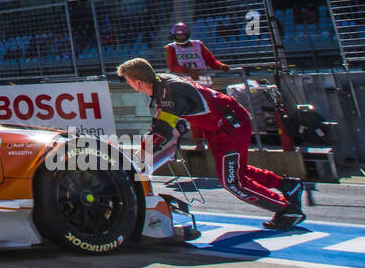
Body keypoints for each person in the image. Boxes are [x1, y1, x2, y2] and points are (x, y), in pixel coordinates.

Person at [117, 57, 305, 230]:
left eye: (128, 80)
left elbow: (161, 131)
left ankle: (287, 209)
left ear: (138, 82)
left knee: (232, 182)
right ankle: (287, 186)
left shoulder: (170, 92)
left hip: (231, 126)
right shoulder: (161, 84)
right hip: (220, 127)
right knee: (236, 170)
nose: (128, 84)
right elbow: (169, 123)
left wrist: (134, 162)